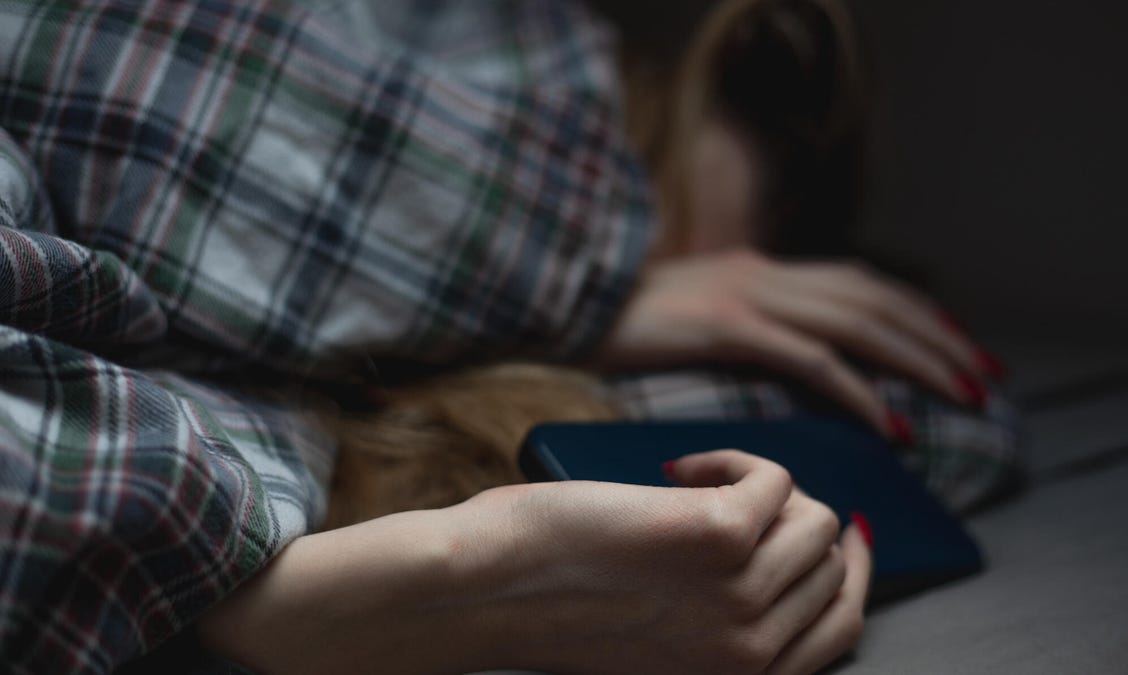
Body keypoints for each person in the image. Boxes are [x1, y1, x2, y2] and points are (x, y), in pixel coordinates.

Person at [0, 1, 1018, 673]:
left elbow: (952, 424)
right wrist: (591, 291)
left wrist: (329, 594)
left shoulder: (257, 428)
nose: (698, 302)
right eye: (624, 190)